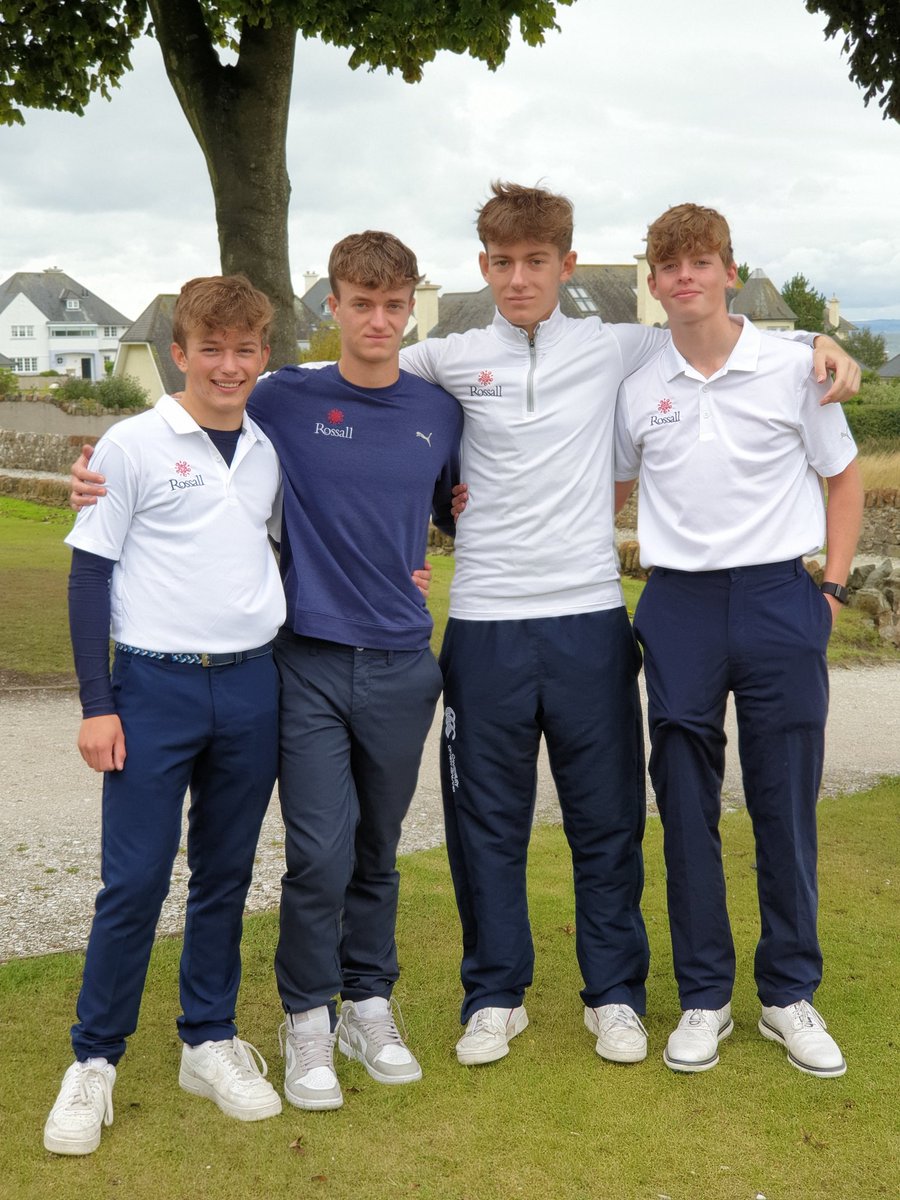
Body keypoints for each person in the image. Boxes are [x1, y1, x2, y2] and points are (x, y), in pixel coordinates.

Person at [399, 182, 860, 1068]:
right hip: (496, 615)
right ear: (484, 267)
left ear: (568, 265)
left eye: (539, 260)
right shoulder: (449, 355)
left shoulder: (619, 346)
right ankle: (498, 994)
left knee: (612, 818)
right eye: (505, 261)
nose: (521, 276)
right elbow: (361, 376)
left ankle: (626, 994)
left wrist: (822, 339)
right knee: (490, 819)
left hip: (594, 615)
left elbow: (727, 333)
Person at [71, 232, 462, 1112]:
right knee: (211, 868)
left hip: (329, 669)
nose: (230, 365)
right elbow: (106, 543)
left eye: (393, 303)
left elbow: (437, 506)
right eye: (360, 302)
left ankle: (292, 1020)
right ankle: (135, 1054)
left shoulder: (377, 421)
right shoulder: (249, 409)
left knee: (302, 862)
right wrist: (90, 476)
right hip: (232, 673)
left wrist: (422, 551)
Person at [614, 203, 863, 1077]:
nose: (686, 278)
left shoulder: (796, 367)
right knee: (684, 800)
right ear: (654, 283)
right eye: (669, 266)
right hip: (677, 603)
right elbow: (604, 483)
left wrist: (829, 588)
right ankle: (705, 997)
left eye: (702, 262)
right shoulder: (640, 385)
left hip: (776, 596)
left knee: (784, 800)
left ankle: (789, 994)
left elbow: (842, 479)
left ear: (727, 269)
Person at [45, 276, 286, 1156]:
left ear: (264, 355)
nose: (228, 366)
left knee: (224, 875)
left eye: (245, 350)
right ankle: (94, 1061)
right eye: (210, 350)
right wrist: (96, 706)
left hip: (253, 686)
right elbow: (88, 576)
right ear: (178, 353)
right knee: (136, 880)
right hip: (153, 689)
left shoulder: (268, 445)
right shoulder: (131, 442)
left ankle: (208, 1040)